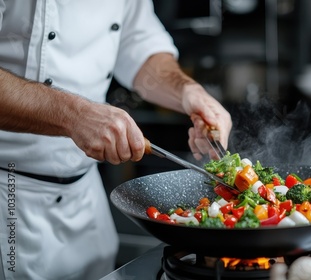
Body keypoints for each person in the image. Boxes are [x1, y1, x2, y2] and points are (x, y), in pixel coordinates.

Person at [0, 1, 232, 279]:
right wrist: (73, 115)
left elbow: (138, 44)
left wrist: (187, 91)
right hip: (9, 194)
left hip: (85, 198)